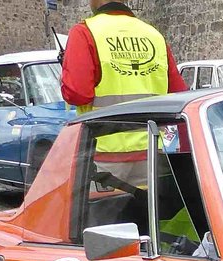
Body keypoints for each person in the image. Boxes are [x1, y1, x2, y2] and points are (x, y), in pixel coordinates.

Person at [61, 1, 187, 186]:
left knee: (108, 206)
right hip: (153, 152)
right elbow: (179, 96)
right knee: (152, 204)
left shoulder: (85, 32)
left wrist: (65, 75)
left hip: (106, 156)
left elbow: (77, 94)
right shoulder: (154, 35)